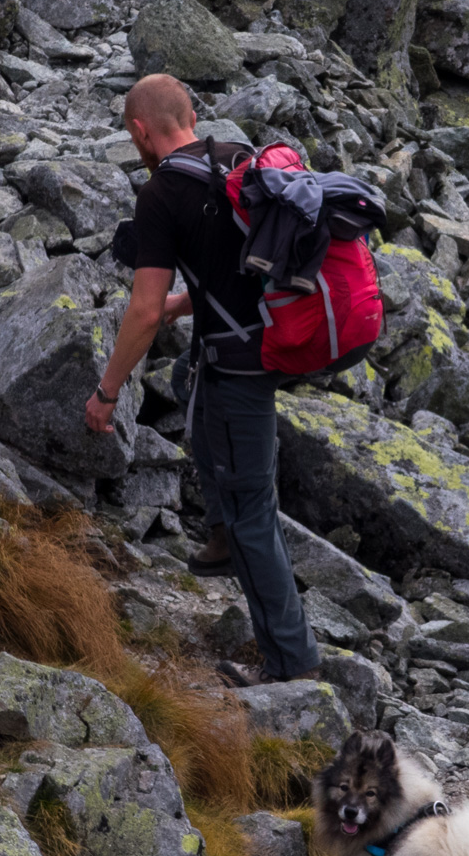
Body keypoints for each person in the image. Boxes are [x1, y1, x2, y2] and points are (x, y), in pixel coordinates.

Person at [83, 74, 320, 686]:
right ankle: (218, 536)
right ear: (191, 114)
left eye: (130, 133)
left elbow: (140, 308)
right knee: (194, 389)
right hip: (247, 346)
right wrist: (184, 307)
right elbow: (237, 268)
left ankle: (291, 666)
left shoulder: (161, 194)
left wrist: (108, 391)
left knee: (254, 514)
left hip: (242, 366)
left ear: (140, 130)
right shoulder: (238, 159)